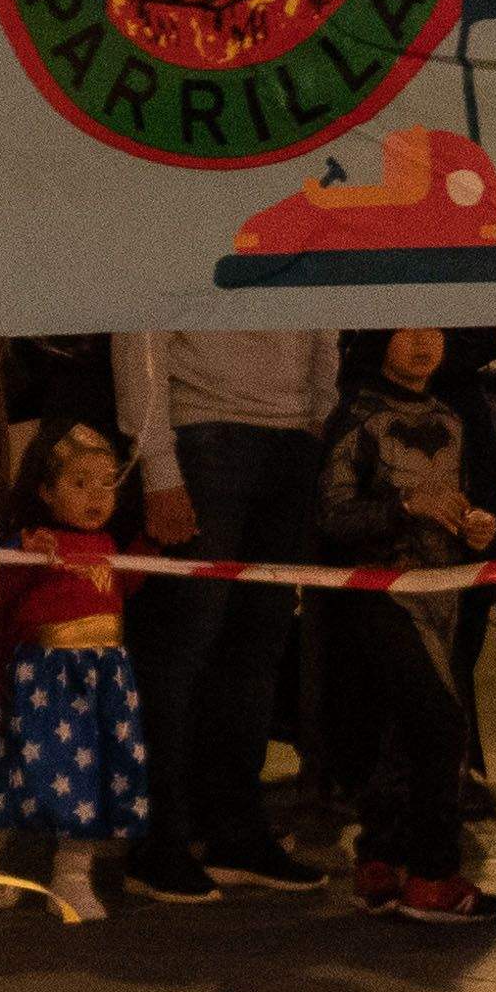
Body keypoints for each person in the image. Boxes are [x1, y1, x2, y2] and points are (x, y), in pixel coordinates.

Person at [106, 318, 339, 892]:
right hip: (202, 431)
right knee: (181, 648)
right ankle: (160, 838)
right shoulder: (167, 227)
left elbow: (325, 309)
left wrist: (318, 412)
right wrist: (158, 469)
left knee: (256, 653)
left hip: (290, 440)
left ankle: (235, 829)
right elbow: (139, 333)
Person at [309, 330, 496, 922]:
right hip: (381, 596)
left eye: (434, 329)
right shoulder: (357, 420)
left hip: (441, 595)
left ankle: (380, 860)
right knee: (441, 726)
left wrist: (473, 525)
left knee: (403, 731)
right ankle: (433, 875)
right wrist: (403, 508)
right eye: (406, 329)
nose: (424, 342)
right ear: (377, 339)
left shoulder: (452, 417)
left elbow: (460, 498)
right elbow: (332, 517)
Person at [0, 418, 149, 898]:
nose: (96, 496)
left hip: (105, 679)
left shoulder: (108, 546)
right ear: (46, 492)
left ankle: (71, 879)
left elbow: (124, 586)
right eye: (80, 483)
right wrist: (18, 554)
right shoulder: (35, 546)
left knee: (91, 772)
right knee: (25, 770)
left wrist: (151, 547)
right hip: (47, 682)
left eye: (107, 483)